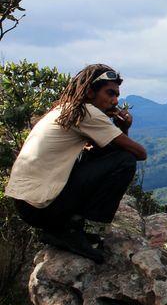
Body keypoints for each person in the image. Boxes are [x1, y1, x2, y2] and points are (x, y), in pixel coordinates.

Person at [5, 64, 147, 262]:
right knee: (126, 161)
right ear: (90, 92)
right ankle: (86, 234)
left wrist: (121, 130)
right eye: (110, 93)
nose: (115, 101)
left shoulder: (64, 110)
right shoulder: (87, 112)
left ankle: (62, 229)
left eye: (116, 95)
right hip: (41, 207)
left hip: (27, 206)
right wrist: (124, 129)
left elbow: (104, 152)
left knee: (97, 155)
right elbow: (139, 153)